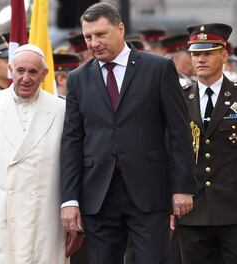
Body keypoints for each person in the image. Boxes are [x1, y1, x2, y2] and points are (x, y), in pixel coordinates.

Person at [60, 3, 197, 264]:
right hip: (98, 194)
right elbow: (72, 140)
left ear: (120, 28)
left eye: (101, 34)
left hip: (149, 191)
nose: (93, 43)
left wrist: (182, 187)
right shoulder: (78, 79)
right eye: (88, 37)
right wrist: (69, 199)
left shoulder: (157, 69)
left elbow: (179, 131)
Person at [0, 44, 69, 263]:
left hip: (45, 220)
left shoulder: (62, 110)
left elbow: (71, 168)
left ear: (44, 74)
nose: (26, 78)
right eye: (20, 71)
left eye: (33, 72)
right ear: (11, 70)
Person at [177, 23, 237, 264]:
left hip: (233, 209)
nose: (200, 59)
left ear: (224, 54)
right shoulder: (180, 99)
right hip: (192, 212)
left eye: (208, 53)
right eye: (195, 54)